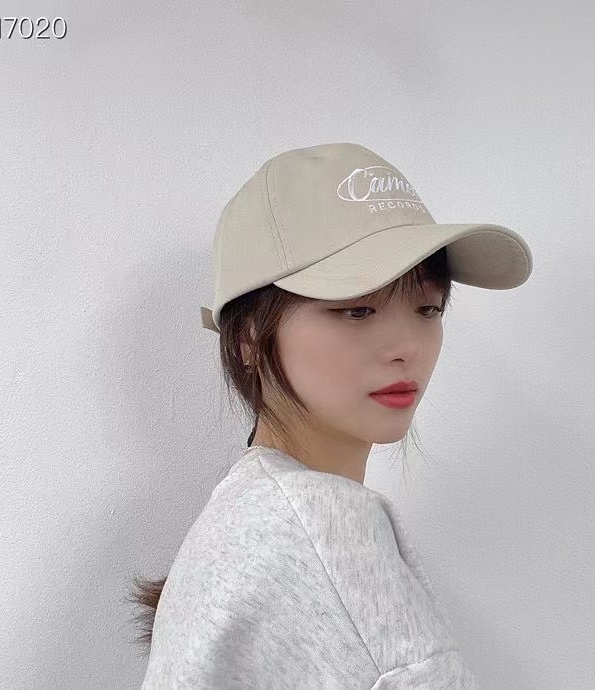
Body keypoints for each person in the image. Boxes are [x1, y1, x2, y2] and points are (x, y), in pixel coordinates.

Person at [135, 142, 533, 688]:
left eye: (428, 307)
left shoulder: (248, 516)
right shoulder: (323, 528)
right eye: (357, 309)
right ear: (249, 337)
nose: (407, 347)